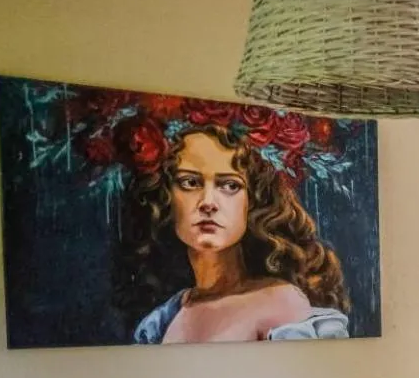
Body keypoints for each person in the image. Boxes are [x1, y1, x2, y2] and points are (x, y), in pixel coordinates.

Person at [116, 126, 350, 343]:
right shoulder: (164, 318)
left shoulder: (279, 303)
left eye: (229, 185)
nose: (208, 203)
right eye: (190, 182)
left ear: (254, 201)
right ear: (166, 196)